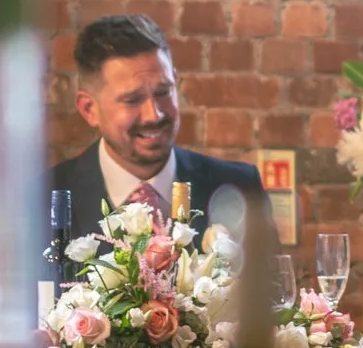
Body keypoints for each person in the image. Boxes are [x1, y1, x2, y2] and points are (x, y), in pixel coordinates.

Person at [51, 14, 263, 232]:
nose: (154, 115)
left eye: (163, 92)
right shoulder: (39, 200)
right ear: (89, 109)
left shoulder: (240, 189)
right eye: (132, 100)